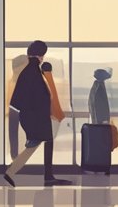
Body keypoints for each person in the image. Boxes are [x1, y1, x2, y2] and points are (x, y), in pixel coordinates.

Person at [5, 40, 71, 187]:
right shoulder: (34, 72)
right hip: (36, 118)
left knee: (40, 143)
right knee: (38, 143)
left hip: (32, 117)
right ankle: (43, 176)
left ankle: (15, 172)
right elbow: (40, 97)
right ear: (41, 56)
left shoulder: (29, 71)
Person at [7, 54, 28, 159]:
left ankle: (17, 157)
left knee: (19, 135)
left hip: (22, 110)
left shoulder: (20, 81)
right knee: (14, 135)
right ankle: (14, 157)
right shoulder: (12, 82)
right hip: (14, 110)